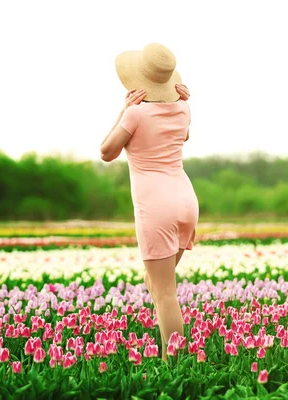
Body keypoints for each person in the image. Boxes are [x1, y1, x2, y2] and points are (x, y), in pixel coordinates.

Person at [100, 43, 198, 362]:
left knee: (165, 293)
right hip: (186, 202)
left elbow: (106, 152)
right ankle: (175, 355)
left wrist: (123, 110)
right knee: (156, 283)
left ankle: (176, 367)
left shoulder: (135, 113)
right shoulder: (184, 107)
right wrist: (182, 100)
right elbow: (183, 136)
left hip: (156, 207)